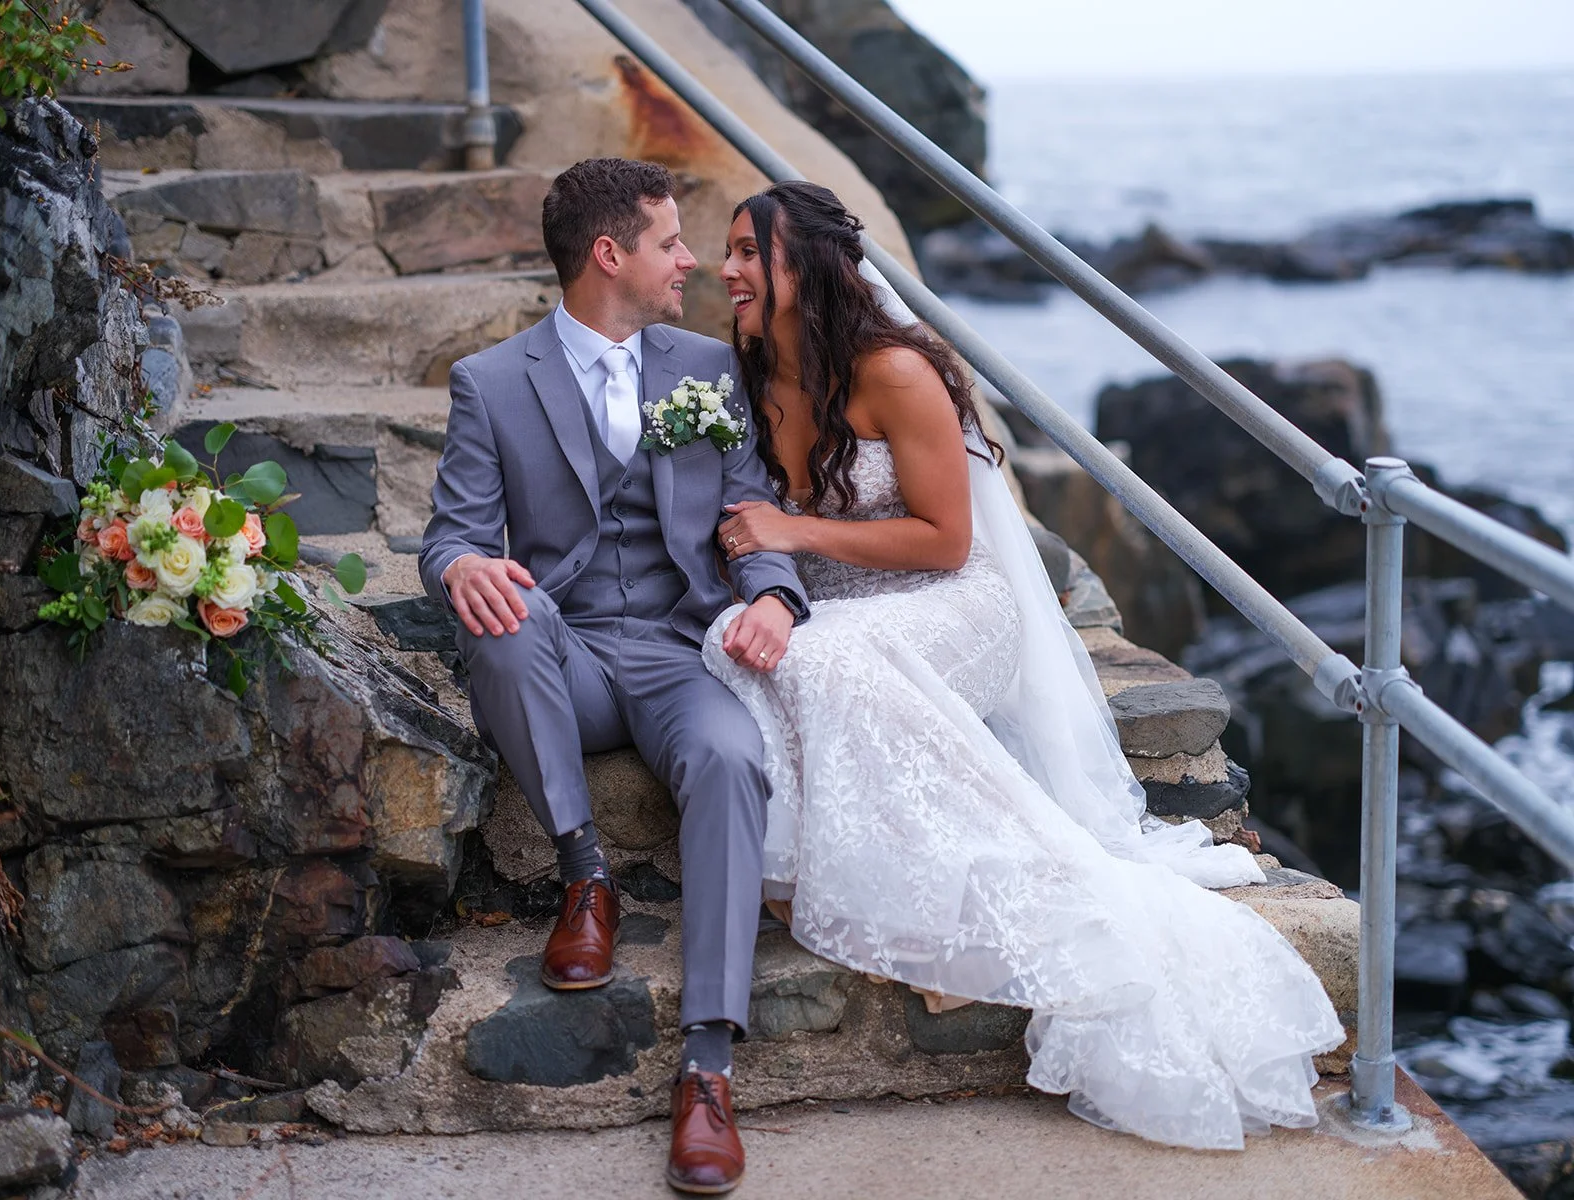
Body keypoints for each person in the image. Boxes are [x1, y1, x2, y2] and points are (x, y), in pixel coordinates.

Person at [703, 180, 1345, 1151]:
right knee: (738, 648)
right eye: (727, 253)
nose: (727, 272)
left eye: (750, 253)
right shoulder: (748, 370)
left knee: (828, 661)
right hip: (842, 608)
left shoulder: (895, 370)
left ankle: (967, 880)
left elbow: (946, 541)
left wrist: (791, 527)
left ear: (810, 267)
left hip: (959, 604)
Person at [420, 158, 810, 1195]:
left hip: (686, 650)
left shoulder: (706, 366)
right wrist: (463, 564)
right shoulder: (492, 383)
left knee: (732, 759)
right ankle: (582, 870)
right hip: (570, 654)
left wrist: (772, 595)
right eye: (671, 243)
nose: (690, 262)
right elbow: (449, 538)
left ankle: (707, 1068)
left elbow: (748, 516)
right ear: (610, 255)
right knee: (502, 615)